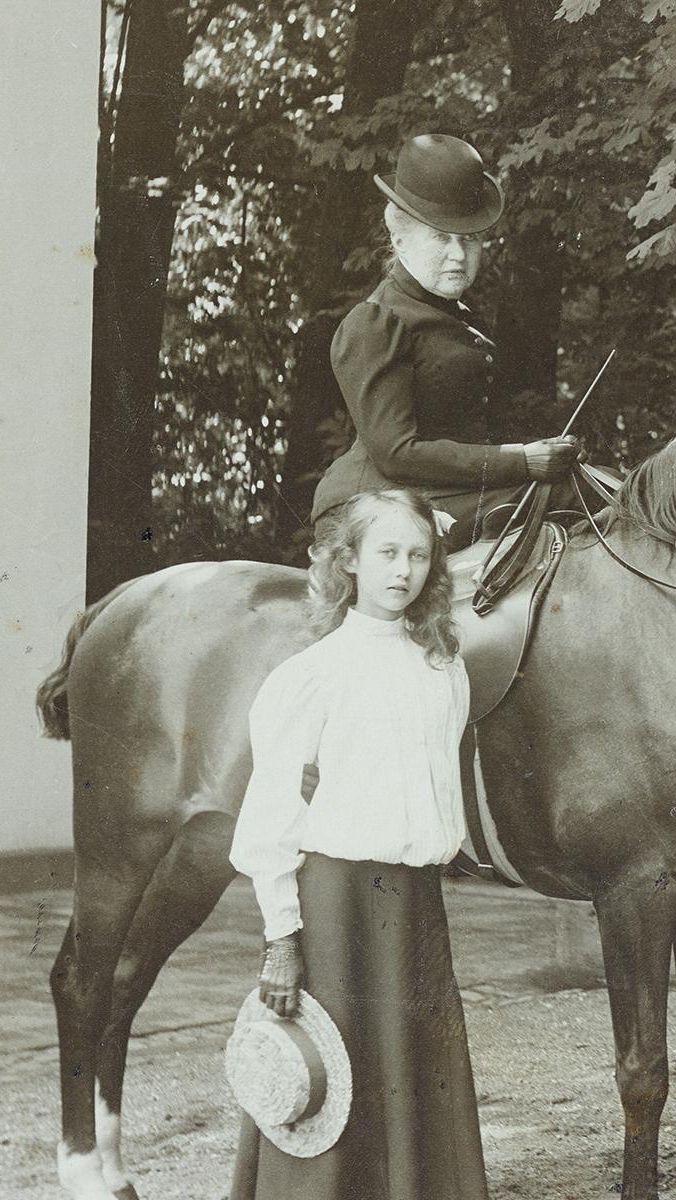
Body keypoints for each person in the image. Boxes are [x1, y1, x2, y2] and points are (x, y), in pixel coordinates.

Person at [229, 488, 488, 1200]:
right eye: (386, 553)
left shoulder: (443, 669)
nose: (402, 570)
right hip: (338, 903)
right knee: (330, 1077)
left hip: (412, 904)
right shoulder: (311, 675)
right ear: (349, 561)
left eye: (417, 555)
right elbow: (271, 813)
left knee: (415, 1067)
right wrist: (283, 938)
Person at [311, 133, 581, 551]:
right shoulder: (377, 321)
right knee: (573, 498)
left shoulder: (452, 318)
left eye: (469, 239)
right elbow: (397, 453)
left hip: (442, 492)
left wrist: (541, 453)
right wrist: (522, 461)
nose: (458, 255)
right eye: (440, 237)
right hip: (375, 502)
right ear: (399, 240)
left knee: (588, 486)